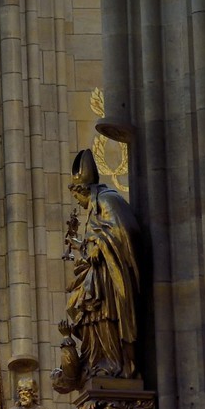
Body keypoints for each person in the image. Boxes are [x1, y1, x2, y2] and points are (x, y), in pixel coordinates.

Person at [54, 149, 140, 391]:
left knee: (101, 315)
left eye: (77, 199)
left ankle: (114, 364)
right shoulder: (96, 205)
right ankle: (101, 362)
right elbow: (97, 242)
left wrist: (98, 246)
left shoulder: (107, 200)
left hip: (110, 284)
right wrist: (81, 246)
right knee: (85, 311)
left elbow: (123, 233)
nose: (79, 205)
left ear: (83, 191)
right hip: (98, 281)